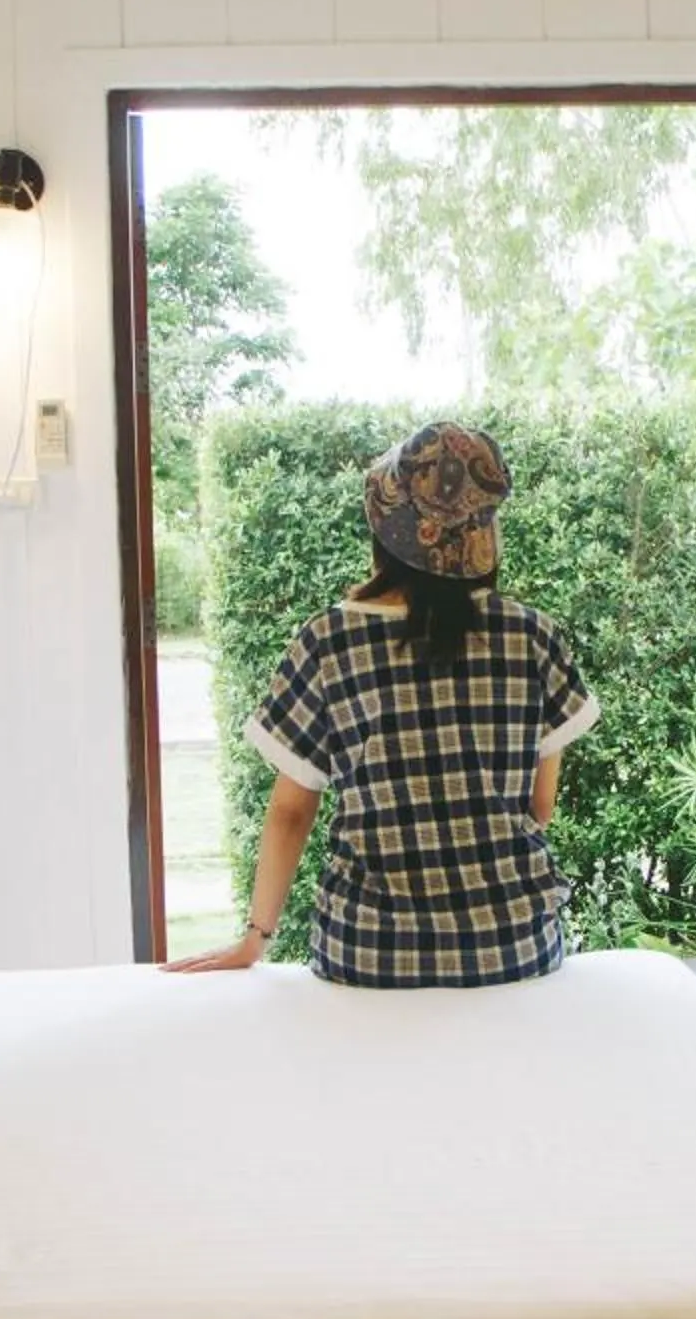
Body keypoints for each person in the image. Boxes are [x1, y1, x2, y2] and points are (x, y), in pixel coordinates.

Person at [165, 421, 600, 985]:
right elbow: (540, 808)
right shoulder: (533, 636)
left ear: (386, 530)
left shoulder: (329, 641)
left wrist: (255, 938)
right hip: (513, 948)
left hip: (369, 952)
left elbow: (292, 809)